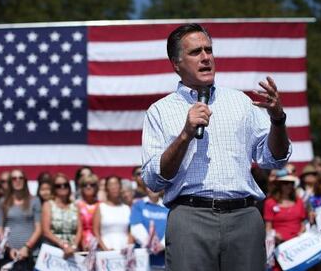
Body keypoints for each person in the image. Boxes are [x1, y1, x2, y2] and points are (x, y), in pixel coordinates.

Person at [141, 23, 291, 271]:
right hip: (190, 219)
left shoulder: (241, 102)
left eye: (208, 50)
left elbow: (274, 159)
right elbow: (153, 180)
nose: (205, 58)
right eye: (195, 52)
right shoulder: (160, 111)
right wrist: (185, 135)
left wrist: (278, 119)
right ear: (176, 64)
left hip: (244, 218)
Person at [0, 169, 41, 270]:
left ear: (25, 181)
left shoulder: (35, 200)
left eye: (21, 178)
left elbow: (39, 229)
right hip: (9, 254)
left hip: (30, 253)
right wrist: (8, 249)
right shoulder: (2, 202)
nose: (18, 180)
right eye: (14, 178)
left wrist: (27, 247)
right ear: (10, 182)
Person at [263, 175, 306, 270]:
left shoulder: (299, 201)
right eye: (285, 183)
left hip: (299, 245)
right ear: (279, 185)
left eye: (291, 183)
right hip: (280, 246)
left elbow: (303, 223)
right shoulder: (270, 202)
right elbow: (268, 226)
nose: (289, 186)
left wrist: (302, 232)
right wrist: (274, 235)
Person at [42, 173, 81, 257]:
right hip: (54, 251)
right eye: (58, 186)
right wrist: (64, 245)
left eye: (65, 185)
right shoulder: (48, 205)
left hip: (73, 252)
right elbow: (46, 231)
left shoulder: (75, 206)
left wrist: (74, 246)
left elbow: (79, 229)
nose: (62, 187)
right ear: (54, 188)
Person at [130, 188, 168, 270]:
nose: (153, 189)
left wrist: (162, 244)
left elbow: (172, 228)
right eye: (150, 186)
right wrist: (150, 243)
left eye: (156, 186)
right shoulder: (138, 205)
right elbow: (136, 226)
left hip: (163, 258)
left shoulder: (167, 206)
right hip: (143, 258)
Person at [93, 176, 132, 251]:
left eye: (116, 184)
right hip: (106, 249)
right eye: (111, 185)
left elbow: (131, 231)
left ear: (120, 188)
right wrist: (105, 249)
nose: (114, 187)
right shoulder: (100, 207)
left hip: (124, 250)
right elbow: (96, 231)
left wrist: (128, 247)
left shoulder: (127, 208)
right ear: (106, 188)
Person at [76, 174, 99, 251]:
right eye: (85, 185)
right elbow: (78, 228)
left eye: (92, 185)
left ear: (96, 187)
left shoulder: (101, 205)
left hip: (100, 245)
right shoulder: (77, 205)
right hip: (82, 246)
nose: (88, 187)